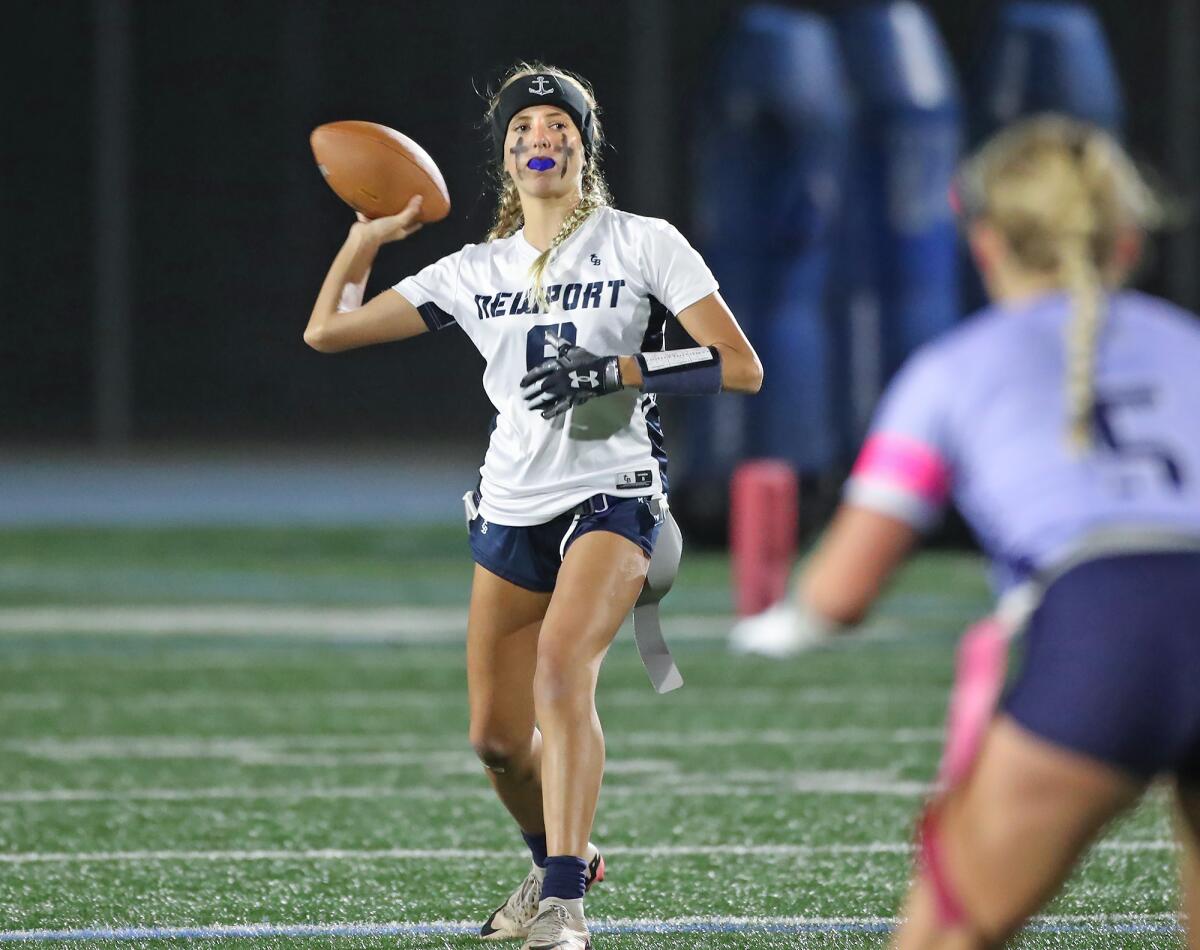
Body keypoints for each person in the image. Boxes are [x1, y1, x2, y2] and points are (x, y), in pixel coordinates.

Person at [305, 63, 762, 950]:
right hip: (511, 507)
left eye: (557, 125)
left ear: (584, 148)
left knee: (563, 671)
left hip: (615, 496)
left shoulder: (641, 241)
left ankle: (563, 905)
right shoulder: (475, 268)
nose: (537, 138)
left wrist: (623, 369)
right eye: (522, 128)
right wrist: (368, 234)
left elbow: (738, 364)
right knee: (497, 742)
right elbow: (330, 330)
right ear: (504, 156)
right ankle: (558, 858)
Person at [731, 115, 1200, 948]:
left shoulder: (950, 371)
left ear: (985, 244)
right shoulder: (1189, 342)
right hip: (1143, 604)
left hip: (1113, 626)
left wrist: (783, 626)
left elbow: (842, 592)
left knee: (945, 937)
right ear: (1126, 241)